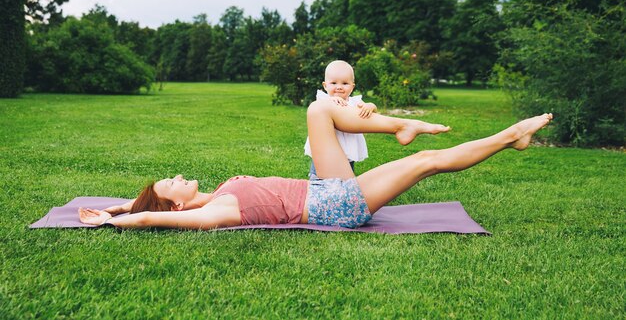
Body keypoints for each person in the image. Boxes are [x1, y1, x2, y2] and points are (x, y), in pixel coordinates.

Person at [79, 98, 553, 230]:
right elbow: (152, 215)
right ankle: (512, 136)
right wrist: (122, 220)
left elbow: (141, 205)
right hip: (336, 206)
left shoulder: (212, 196)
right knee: (427, 162)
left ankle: (399, 126)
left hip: (322, 187)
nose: (180, 176)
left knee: (318, 109)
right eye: (174, 183)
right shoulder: (213, 213)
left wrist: (118, 206)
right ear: (176, 208)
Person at [303, 60, 448, 178]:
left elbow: (370, 112)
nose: (339, 87)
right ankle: (316, 181)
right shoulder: (323, 100)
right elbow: (320, 111)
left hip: (347, 151)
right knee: (320, 175)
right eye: (334, 83)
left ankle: (347, 185)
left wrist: (370, 106)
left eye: (345, 83)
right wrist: (332, 102)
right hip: (325, 153)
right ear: (325, 85)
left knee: (347, 176)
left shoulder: (354, 102)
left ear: (352, 87)